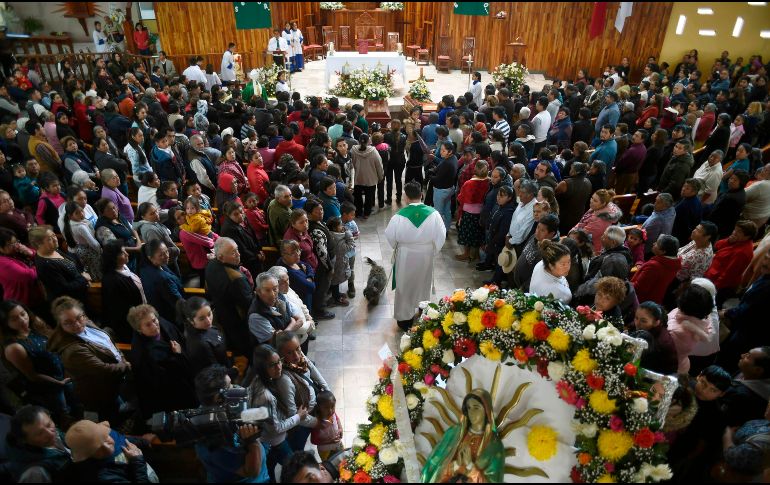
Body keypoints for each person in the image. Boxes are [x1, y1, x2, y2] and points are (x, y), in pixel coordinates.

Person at [47, 296, 130, 424]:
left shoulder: (87, 324)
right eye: (68, 322)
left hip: (111, 383)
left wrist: (121, 356)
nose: (77, 324)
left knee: (119, 407)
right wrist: (126, 365)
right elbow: (103, 369)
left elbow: (108, 343)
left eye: (79, 317)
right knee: (108, 420)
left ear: (84, 315)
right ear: (60, 325)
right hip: (98, 391)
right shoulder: (73, 351)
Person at [385, 181, 447, 330]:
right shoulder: (434, 214)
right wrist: (432, 250)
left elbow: (390, 236)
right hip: (426, 255)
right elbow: (441, 236)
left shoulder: (398, 216)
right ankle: (423, 310)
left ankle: (404, 319)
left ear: (406, 197)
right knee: (423, 284)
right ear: (421, 195)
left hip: (405, 255)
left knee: (405, 285)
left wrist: (400, 247)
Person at [192, 365, 269, 483]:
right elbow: (251, 472)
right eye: (230, 386)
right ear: (218, 398)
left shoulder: (210, 408)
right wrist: (252, 442)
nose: (236, 388)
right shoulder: (214, 441)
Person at [1, 301, 72, 418]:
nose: (22, 320)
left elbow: (55, 341)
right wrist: (59, 383)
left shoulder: (35, 324)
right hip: (50, 388)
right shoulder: (14, 348)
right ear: (5, 323)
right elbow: (33, 376)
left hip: (65, 376)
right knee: (64, 416)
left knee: (77, 406)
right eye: (14, 319)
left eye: (23, 314)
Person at [245, 345, 307, 482]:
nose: (279, 367)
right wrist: (298, 417)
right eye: (272, 365)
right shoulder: (265, 397)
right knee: (297, 471)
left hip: (265, 438)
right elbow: (276, 428)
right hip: (274, 442)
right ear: (262, 368)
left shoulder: (257, 379)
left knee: (270, 468)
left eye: (279, 361)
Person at [126, 304, 197, 419]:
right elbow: (162, 380)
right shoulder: (143, 354)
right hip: (172, 392)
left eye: (154, 320)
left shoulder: (163, 324)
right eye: (148, 325)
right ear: (139, 329)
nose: (154, 326)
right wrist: (178, 355)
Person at [421, 389, 505, 483]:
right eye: (469, 408)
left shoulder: (494, 445)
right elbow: (437, 468)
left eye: (476, 408)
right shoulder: (455, 433)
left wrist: (470, 466)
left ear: (486, 411)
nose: (471, 412)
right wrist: (456, 465)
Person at [274, 331, 328, 452]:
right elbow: (293, 414)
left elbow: (312, 368)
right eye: (289, 352)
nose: (296, 356)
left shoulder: (300, 357)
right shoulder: (285, 380)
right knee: (297, 450)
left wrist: (327, 390)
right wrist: (316, 422)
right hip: (302, 424)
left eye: (298, 349)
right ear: (281, 354)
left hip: (312, 414)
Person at [63, 419, 150, 483]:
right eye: (97, 449)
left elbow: (122, 439)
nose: (107, 447)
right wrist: (138, 461)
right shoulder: (103, 477)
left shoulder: (110, 433)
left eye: (104, 438)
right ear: (87, 455)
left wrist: (145, 442)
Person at [4, 405, 72, 482]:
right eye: (40, 433)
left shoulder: (51, 433)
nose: (50, 433)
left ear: (49, 417)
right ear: (24, 440)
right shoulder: (35, 474)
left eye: (48, 425)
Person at [30, 225, 90, 305]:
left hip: (80, 293)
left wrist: (83, 277)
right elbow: (65, 289)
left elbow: (73, 264)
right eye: (49, 239)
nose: (55, 239)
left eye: (54, 235)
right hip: (70, 303)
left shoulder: (53, 250)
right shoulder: (45, 265)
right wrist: (83, 279)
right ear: (39, 244)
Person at [99, 240, 146, 343]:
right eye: (122, 253)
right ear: (113, 258)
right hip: (130, 325)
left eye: (125, 251)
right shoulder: (111, 280)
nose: (127, 254)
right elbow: (119, 312)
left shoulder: (124, 268)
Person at [704, 220, 757, 304]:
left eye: (739, 232)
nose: (734, 232)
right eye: (735, 229)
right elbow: (717, 245)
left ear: (747, 236)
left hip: (718, 284)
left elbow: (728, 275)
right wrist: (728, 241)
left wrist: (713, 287)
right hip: (712, 274)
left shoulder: (742, 253)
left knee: (709, 302)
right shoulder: (737, 240)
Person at [668, 284, 715, 374]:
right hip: (682, 364)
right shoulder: (702, 320)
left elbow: (660, 351)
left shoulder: (675, 331)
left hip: (669, 368)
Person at [248, 272, 303, 346]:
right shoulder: (256, 315)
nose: (272, 294)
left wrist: (284, 331)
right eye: (267, 290)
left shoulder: (281, 297)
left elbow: (300, 320)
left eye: (275, 289)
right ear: (258, 291)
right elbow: (277, 341)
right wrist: (292, 324)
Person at [140, 239, 184, 323]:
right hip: (172, 316)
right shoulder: (163, 279)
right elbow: (178, 302)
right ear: (150, 257)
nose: (167, 256)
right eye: (161, 255)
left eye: (166, 251)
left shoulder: (149, 267)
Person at [631, 234, 682, 305]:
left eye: (657, 243)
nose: (653, 244)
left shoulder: (654, 267)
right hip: (654, 299)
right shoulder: (673, 263)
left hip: (640, 301)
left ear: (663, 251)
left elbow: (638, 288)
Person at [631, 302, 678, 375]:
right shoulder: (647, 329)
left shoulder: (658, 343)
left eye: (643, 321)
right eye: (636, 318)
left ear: (656, 322)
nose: (637, 323)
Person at [571, 189, 622, 255]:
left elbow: (582, 235)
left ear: (603, 203)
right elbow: (582, 221)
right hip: (582, 241)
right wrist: (573, 230)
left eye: (595, 200)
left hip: (591, 250)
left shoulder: (600, 220)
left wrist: (571, 232)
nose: (591, 201)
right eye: (592, 198)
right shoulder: (597, 208)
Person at [351, 134, 383, 219]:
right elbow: (379, 166)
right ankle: (366, 213)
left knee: (357, 196)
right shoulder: (373, 151)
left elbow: (351, 164)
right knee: (369, 197)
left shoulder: (353, 150)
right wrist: (380, 176)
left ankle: (358, 212)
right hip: (370, 179)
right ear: (369, 141)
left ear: (359, 140)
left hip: (357, 178)